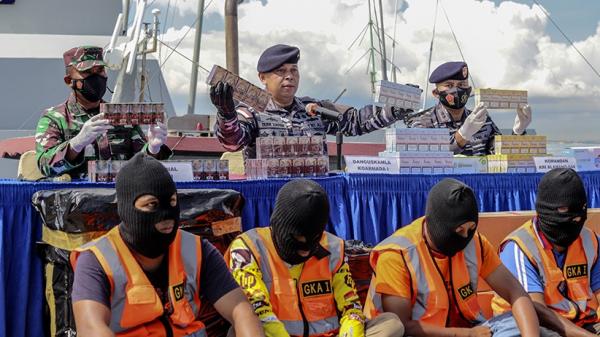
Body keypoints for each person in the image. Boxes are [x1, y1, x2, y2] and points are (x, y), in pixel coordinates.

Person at [70, 153, 264, 337]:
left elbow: (240, 309)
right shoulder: (96, 260)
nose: (166, 215)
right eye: (152, 205)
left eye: (171, 201)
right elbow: (91, 329)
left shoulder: (196, 250)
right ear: (127, 209)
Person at [364, 178, 548, 337]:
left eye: (470, 229)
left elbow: (516, 293)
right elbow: (403, 325)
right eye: (459, 230)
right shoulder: (397, 254)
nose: (464, 236)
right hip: (420, 333)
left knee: (523, 323)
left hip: (471, 328)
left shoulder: (476, 243)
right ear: (436, 224)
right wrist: (466, 334)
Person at [224, 179, 404, 337]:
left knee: (391, 323)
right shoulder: (248, 248)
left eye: (313, 240)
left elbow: (352, 308)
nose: (305, 250)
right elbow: (259, 309)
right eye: (297, 239)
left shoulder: (333, 247)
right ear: (279, 226)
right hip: (273, 333)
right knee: (240, 329)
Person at [211, 44, 413, 159]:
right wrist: (227, 113)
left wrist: (397, 107)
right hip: (274, 198)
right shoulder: (250, 112)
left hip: (314, 196)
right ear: (262, 77)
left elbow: (356, 122)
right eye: (281, 71)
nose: (289, 76)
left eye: (294, 70)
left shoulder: (314, 108)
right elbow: (232, 143)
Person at [35, 46, 171, 179]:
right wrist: (76, 144)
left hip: (118, 197)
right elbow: (46, 166)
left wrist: (153, 149)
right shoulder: (55, 118)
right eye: (88, 72)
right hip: (75, 198)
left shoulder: (121, 116)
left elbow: (141, 166)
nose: (96, 77)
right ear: (70, 81)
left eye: (100, 70)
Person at [494, 168, 600, 336]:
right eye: (564, 211)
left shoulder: (591, 241)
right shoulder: (519, 247)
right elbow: (537, 311)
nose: (575, 221)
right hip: (533, 326)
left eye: (579, 213)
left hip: (583, 324)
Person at [407, 61, 532, 155]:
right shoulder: (421, 122)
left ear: (469, 90)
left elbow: (499, 156)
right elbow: (427, 158)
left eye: (462, 85)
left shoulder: (483, 121)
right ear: (436, 93)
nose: (456, 90)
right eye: (449, 85)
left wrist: (518, 132)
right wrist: (462, 135)